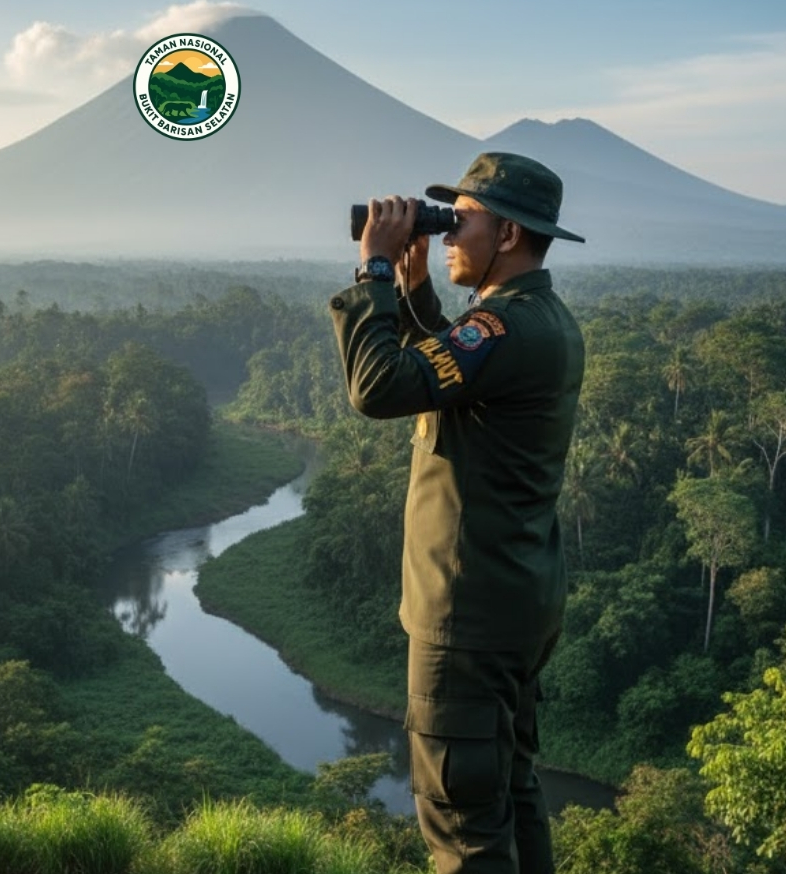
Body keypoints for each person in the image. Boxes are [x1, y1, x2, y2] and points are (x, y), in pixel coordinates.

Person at [328, 152, 587, 874]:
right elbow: (443, 372)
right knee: (510, 792)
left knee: (461, 826)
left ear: (506, 235)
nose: (443, 234)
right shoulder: (535, 321)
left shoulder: (503, 329)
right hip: (514, 603)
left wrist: (375, 271)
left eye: (458, 221)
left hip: (466, 619)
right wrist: (412, 288)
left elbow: (380, 388)